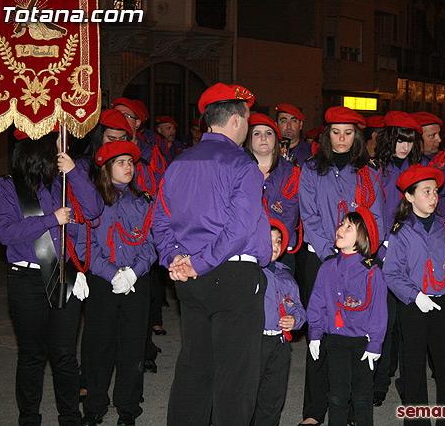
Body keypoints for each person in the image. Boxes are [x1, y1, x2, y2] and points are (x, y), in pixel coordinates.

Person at [152, 83, 272, 425]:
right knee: (235, 379)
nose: (247, 126)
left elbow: (160, 219)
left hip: (190, 279)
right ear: (236, 120)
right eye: (247, 119)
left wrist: (175, 258)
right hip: (231, 276)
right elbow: (239, 230)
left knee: (194, 368)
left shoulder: (177, 163)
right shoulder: (243, 165)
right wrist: (196, 263)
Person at [0, 130, 103, 426]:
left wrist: (75, 174)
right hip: (27, 279)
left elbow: (94, 210)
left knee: (65, 355)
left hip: (62, 274)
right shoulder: (9, 186)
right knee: (31, 355)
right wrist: (51, 220)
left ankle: (70, 417)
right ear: (40, 149)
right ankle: (29, 418)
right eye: (57, 146)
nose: (63, 150)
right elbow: (5, 232)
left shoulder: (65, 181)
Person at [298, 105, 384, 426]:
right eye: (336, 132)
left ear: (357, 135)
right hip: (321, 259)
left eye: (348, 132)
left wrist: (359, 257)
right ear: (326, 134)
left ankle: (349, 410)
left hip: (359, 262)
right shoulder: (310, 168)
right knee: (319, 332)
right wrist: (330, 255)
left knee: (354, 334)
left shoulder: (369, 169)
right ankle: (313, 411)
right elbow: (310, 215)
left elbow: (375, 217)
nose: (342, 139)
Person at [383, 164, 445, 425]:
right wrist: (414, 295)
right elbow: (392, 272)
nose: (433, 197)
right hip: (414, 304)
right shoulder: (401, 232)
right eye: (426, 191)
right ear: (409, 197)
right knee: (413, 365)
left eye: (435, 191)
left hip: (441, 301)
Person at [80, 140, 156, 426]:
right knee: (99, 346)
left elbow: (151, 242)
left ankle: (128, 406)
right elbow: (85, 243)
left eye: (131, 162)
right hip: (103, 280)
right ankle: (95, 405)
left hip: (136, 281)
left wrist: (134, 273)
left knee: (132, 346)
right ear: (106, 168)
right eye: (120, 162)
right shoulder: (93, 201)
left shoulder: (143, 200)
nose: (128, 168)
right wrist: (112, 273)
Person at [307, 207, 387, 426]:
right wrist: (315, 333)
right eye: (341, 224)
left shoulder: (372, 272)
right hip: (336, 340)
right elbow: (317, 302)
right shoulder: (327, 267)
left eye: (348, 226)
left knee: (362, 396)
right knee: (337, 395)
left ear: (362, 237)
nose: (340, 229)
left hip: (363, 342)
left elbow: (379, 311)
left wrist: (376, 343)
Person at [373, 111, 423, 406]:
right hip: (382, 255)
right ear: (389, 140)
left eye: (409, 141)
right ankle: (380, 381)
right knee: (385, 322)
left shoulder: (422, 169)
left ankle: (409, 383)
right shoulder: (376, 171)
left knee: (410, 324)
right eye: (399, 140)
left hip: (413, 256)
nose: (404, 146)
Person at [253, 219, 306, 426]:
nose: (274, 245)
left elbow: (298, 308)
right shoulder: (250, 272)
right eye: (269, 240)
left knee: (273, 396)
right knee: (248, 393)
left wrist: (295, 319)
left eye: (278, 241)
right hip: (254, 342)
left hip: (280, 344)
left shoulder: (286, 276)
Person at [244, 112, 301, 275]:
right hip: (245, 248)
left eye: (268, 133)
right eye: (257, 134)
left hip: (281, 248)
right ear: (249, 139)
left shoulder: (291, 173)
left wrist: (272, 243)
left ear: (276, 139)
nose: (263, 138)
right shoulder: (238, 171)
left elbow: (290, 215)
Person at [411, 112, 445, 219]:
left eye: (438, 134)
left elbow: (444, 187)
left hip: (436, 221)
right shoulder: (401, 161)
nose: (439, 140)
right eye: (432, 135)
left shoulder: (443, 159)